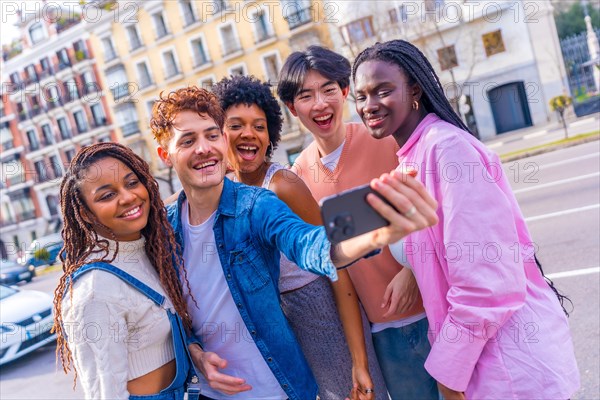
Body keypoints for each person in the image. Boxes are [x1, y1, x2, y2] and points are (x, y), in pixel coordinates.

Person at [150, 86, 438, 399]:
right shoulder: (165, 226)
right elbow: (174, 310)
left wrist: (369, 228)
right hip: (211, 393)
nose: (204, 148)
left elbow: (308, 244)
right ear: (166, 155)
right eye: (188, 141)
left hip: (279, 387)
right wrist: (194, 351)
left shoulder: (257, 205)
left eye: (211, 135)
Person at [352, 39, 580, 399]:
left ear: (414, 89)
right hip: (485, 363)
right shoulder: (414, 155)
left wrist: (448, 375)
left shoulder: (447, 149)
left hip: (507, 367)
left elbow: (485, 284)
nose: (370, 105)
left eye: (382, 90)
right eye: (361, 96)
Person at [277, 45, 439, 399]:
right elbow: (331, 260)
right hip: (381, 331)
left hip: (433, 310)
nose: (320, 104)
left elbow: (433, 208)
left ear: (345, 92)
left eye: (328, 90)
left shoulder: (383, 138)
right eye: (306, 96)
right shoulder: (297, 177)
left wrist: (412, 269)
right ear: (292, 108)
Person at [212, 74, 388, 399]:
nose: (249, 134)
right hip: (279, 327)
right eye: (236, 125)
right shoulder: (222, 190)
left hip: (324, 319)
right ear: (218, 133)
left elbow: (338, 269)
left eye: (259, 126)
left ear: (270, 135)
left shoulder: (282, 186)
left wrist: (358, 362)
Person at [53, 143, 195, 399]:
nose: (128, 197)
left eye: (132, 183)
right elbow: (104, 393)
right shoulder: (95, 289)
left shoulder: (148, 250)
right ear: (84, 213)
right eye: (107, 195)